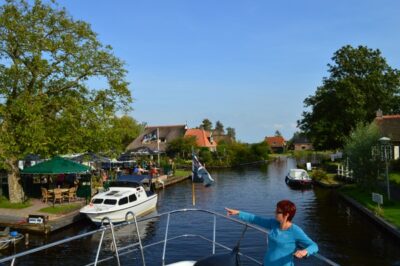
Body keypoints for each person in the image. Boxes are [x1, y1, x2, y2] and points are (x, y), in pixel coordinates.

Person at [225, 200, 318, 266]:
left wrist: (305, 251)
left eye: (278, 212)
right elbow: (256, 219)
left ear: (286, 215)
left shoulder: (295, 231)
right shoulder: (274, 223)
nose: (275, 212)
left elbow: (314, 246)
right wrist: (238, 212)